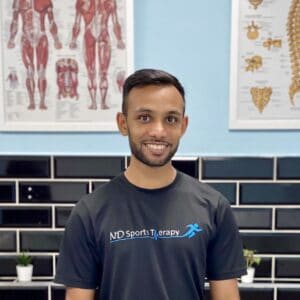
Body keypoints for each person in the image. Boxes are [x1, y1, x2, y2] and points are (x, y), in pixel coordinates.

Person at [55, 69, 246, 300]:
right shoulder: (89, 213)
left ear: (183, 126)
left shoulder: (214, 208)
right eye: (145, 117)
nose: (158, 131)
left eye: (170, 119)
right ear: (123, 123)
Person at [69, 0, 125, 110]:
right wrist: (73, 40)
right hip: (89, 35)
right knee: (91, 72)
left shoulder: (109, 2)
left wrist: (119, 39)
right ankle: (94, 102)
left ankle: (102, 103)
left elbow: (115, 22)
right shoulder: (81, 2)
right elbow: (77, 22)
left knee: (103, 72)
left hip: (102, 35)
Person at [7, 0, 62, 110]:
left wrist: (56, 39)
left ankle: (42, 102)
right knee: (30, 71)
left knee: (41, 72)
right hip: (25, 38)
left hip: (41, 37)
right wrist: (11, 39)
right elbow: (15, 21)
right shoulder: (18, 1)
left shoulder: (46, 1)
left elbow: (51, 21)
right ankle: (32, 102)